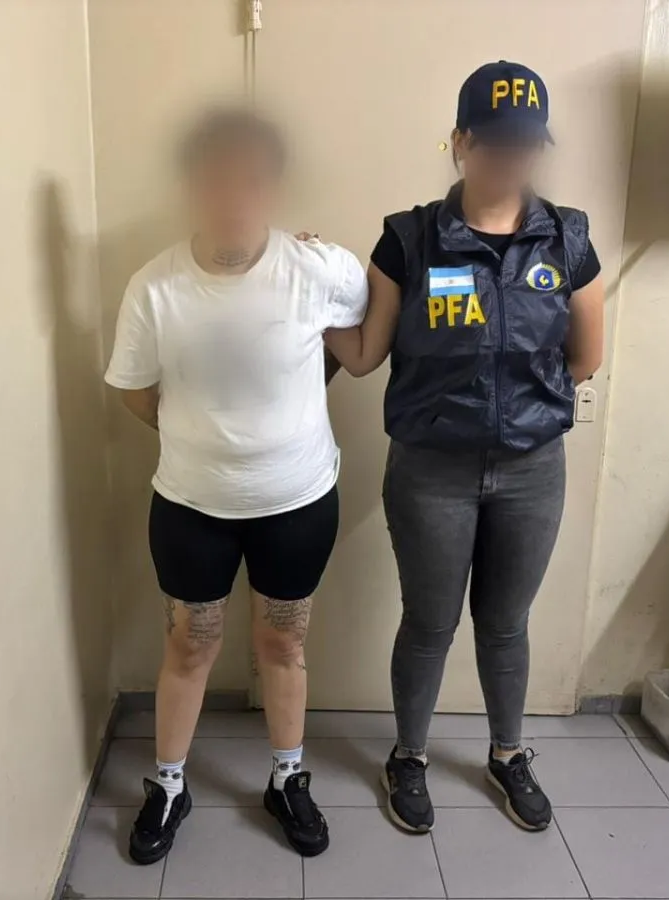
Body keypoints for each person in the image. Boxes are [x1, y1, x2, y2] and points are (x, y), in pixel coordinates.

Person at [324, 61, 605, 834]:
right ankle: (408, 757)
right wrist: (306, 286)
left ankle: (508, 754)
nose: (510, 158)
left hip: (532, 471)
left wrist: (522, 411)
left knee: (507, 623)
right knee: (429, 622)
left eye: (525, 143)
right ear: (459, 142)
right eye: (492, 142)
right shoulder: (409, 240)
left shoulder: (567, 239)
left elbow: (585, 358)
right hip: (431, 472)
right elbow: (364, 354)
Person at [103, 108, 368, 863]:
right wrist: (202, 437)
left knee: (284, 643)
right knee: (191, 646)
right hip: (191, 506)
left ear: (274, 187)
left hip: (298, 501)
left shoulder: (321, 269)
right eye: (216, 180)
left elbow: (358, 335)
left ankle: (287, 779)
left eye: (251, 180)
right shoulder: (154, 287)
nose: (233, 196)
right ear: (191, 188)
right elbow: (134, 390)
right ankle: (169, 784)